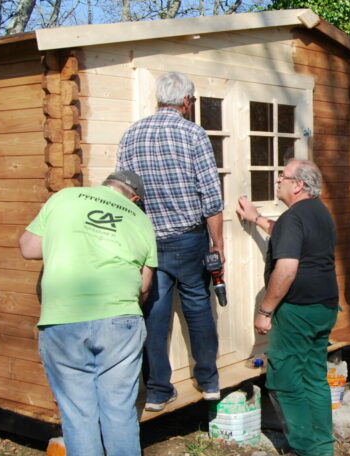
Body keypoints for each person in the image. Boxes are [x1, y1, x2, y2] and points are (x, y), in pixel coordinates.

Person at [18, 171, 157, 456]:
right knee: (119, 409)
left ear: (107, 185)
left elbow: (28, 248)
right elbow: (144, 285)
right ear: (135, 198)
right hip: (121, 318)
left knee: (78, 414)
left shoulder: (64, 197)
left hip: (64, 318)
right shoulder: (141, 219)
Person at [116, 71, 225, 410]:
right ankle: (208, 382)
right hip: (189, 241)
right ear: (187, 102)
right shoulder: (193, 134)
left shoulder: (131, 135)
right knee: (198, 309)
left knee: (154, 316)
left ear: (158, 99)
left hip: (148, 242)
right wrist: (218, 245)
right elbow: (211, 196)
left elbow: (123, 193)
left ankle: (158, 391)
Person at [235, 159, 339, 456]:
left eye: (283, 176)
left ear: (298, 185)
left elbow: (287, 269)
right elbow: (284, 231)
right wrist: (257, 219)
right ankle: (322, 446)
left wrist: (265, 310)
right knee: (314, 376)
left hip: (297, 311)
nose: (278, 179)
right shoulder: (318, 212)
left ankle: (305, 448)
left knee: (285, 379)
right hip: (324, 307)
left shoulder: (295, 217)